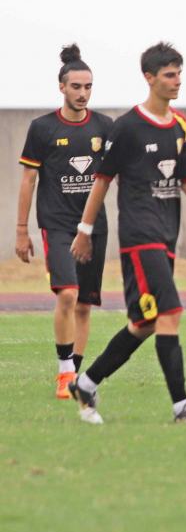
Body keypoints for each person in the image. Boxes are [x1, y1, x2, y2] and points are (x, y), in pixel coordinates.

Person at [68, 42, 186, 424]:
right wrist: (84, 229)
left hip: (167, 234)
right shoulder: (126, 127)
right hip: (140, 235)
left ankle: (88, 382)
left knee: (145, 322)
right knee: (171, 311)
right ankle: (182, 407)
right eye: (169, 75)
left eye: (179, 74)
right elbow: (102, 181)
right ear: (150, 78)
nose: (177, 82)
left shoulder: (180, 126)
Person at [15, 44, 114, 399]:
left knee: (85, 304)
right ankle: (64, 371)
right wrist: (22, 231)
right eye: (76, 86)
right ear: (62, 87)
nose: (83, 93)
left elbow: (116, 173)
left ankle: (76, 374)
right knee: (68, 295)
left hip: (94, 227)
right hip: (56, 224)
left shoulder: (105, 126)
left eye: (88, 87)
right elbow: (28, 180)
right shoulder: (41, 128)